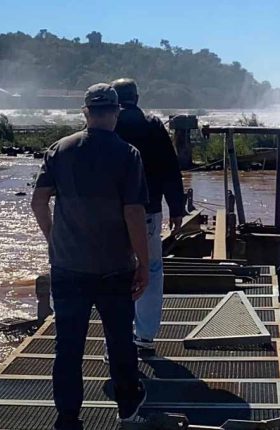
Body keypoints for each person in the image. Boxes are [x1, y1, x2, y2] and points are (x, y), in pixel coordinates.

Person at [31, 83, 149, 429]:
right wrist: (143, 263)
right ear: (115, 113)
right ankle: (127, 408)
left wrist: (54, 238)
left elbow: (39, 201)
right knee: (120, 342)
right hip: (114, 266)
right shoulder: (128, 155)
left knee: (68, 347)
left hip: (68, 266)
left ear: (85, 113)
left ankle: (68, 417)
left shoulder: (59, 150)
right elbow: (133, 213)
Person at [111, 78, 185, 351]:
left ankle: (117, 339)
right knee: (151, 269)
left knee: (115, 272)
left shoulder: (107, 125)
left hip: (109, 214)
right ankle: (144, 335)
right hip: (148, 210)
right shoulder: (152, 125)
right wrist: (176, 209)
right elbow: (170, 169)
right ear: (137, 98)